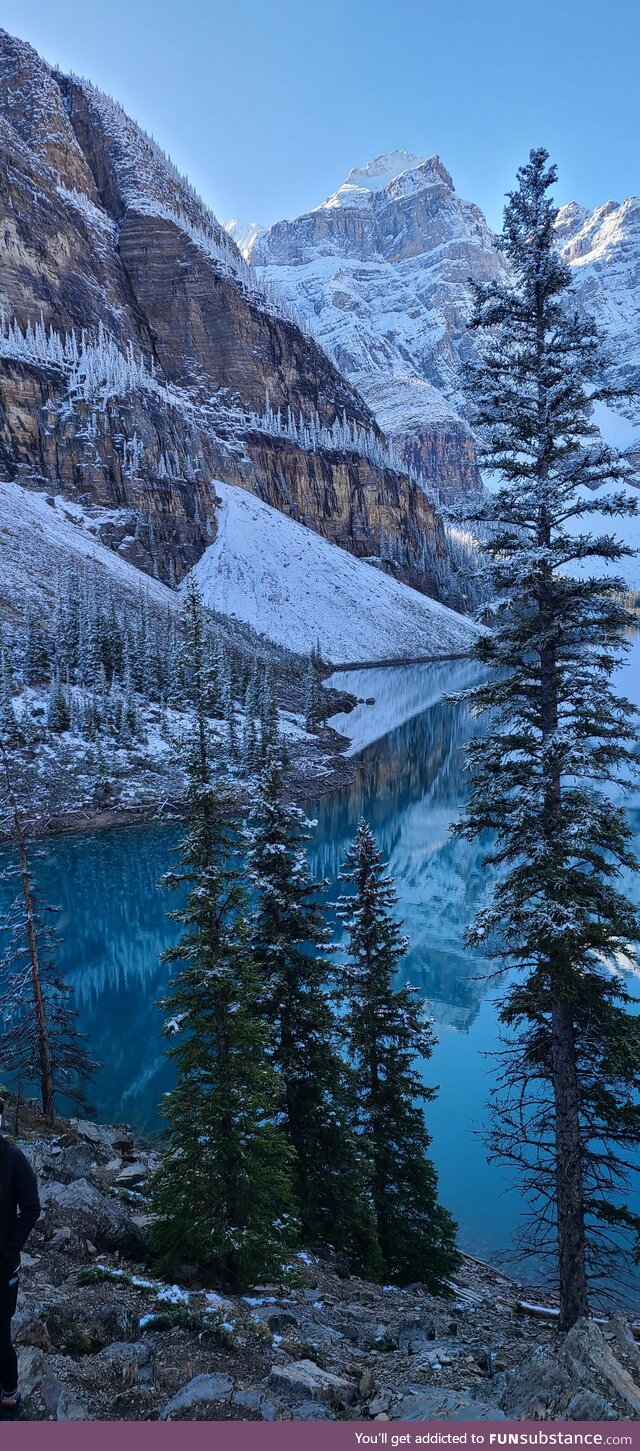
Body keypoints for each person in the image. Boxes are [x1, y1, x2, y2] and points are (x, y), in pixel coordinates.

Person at [0, 1100, 40, 1420]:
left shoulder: (13, 1159)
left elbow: (31, 1208)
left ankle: (10, 1394)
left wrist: (11, 1249)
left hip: (2, 1266)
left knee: (0, 1332)